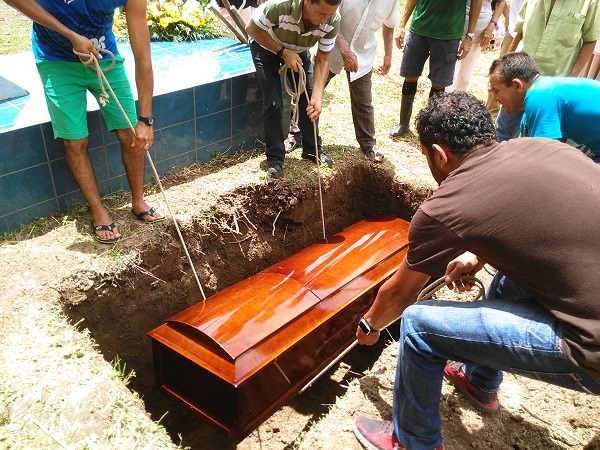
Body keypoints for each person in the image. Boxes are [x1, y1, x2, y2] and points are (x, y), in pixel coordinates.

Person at [351, 91, 600, 450]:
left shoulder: (445, 206)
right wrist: (480, 253)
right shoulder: (544, 147)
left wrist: (369, 326)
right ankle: (479, 383)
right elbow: (547, 223)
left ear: (438, 153)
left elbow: (400, 295)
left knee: (419, 325)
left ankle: (413, 442)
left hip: (591, 348)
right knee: (511, 276)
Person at [4, 0, 164, 244]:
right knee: (75, 140)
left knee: (131, 134)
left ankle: (138, 200)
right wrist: (70, 35)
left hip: (103, 56)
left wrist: (146, 118)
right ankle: (98, 210)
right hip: (55, 61)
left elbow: (143, 57)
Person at [246, 0, 341, 179]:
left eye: (329, 15)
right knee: (274, 102)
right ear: (307, 2)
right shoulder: (280, 5)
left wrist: (318, 96)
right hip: (266, 44)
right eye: (321, 14)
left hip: (298, 49)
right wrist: (282, 52)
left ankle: (312, 150)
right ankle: (275, 159)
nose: (324, 20)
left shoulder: (332, 19)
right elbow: (251, 27)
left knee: (309, 101)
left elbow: (322, 59)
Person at [495, 0, 599, 141]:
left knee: (539, 142)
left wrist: (570, 78)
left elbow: (589, 41)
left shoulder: (589, 2)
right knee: (503, 131)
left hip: (553, 88)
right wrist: (504, 67)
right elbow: (518, 32)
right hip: (518, 79)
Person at [388, 0, 483, 138]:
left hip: (449, 35)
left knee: (439, 83)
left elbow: (476, 2)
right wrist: (402, 24)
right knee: (410, 76)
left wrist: (469, 36)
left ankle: (430, 128)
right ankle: (403, 123)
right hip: (419, 29)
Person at [326, 0, 400, 162]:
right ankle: (297, 133)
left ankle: (368, 144)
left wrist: (388, 54)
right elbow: (329, 15)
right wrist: (345, 51)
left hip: (362, 53)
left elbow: (389, 24)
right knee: (310, 90)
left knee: (363, 101)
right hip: (331, 47)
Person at [489, 52, 600, 160]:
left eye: (496, 91)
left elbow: (544, 156)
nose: (495, 99)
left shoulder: (539, 97)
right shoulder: (540, 93)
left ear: (517, 85)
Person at [449, 0, 506, 92]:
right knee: (450, 73)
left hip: (479, 35)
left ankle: (457, 101)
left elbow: (501, 2)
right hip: (455, 30)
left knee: (465, 77)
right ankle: (444, 101)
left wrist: (492, 25)